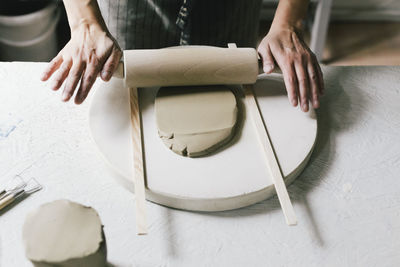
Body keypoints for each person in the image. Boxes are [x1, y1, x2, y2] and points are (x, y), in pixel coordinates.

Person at [41, 0, 324, 112]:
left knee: (231, 89)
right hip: (133, 8)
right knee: (128, 85)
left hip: (229, 9)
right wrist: (84, 21)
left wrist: (289, 20)